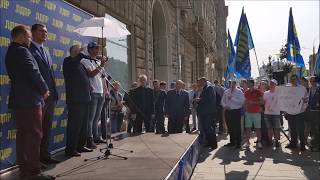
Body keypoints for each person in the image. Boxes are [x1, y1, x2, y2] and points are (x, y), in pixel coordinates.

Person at [5, 25, 54, 179]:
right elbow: (33, 71)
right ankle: (34, 172)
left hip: (20, 100)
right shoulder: (22, 51)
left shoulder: (11, 51)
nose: (30, 39)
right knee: (34, 135)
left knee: (23, 136)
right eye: (28, 36)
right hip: (30, 100)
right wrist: (44, 89)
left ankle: (25, 171)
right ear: (20, 37)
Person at [29, 23, 60, 164]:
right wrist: (42, 91)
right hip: (38, 96)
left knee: (47, 128)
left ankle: (45, 155)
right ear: (33, 33)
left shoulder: (46, 51)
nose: (45, 34)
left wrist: (54, 92)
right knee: (36, 131)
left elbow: (50, 74)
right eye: (41, 31)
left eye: (46, 32)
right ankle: (35, 161)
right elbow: (33, 74)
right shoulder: (28, 49)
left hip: (51, 96)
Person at [63, 45, 93, 156]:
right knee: (74, 125)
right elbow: (74, 63)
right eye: (77, 51)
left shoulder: (80, 64)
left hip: (85, 98)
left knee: (83, 124)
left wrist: (89, 86)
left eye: (79, 50)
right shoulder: (68, 61)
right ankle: (71, 149)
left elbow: (86, 77)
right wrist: (80, 54)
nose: (80, 52)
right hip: (75, 99)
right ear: (71, 52)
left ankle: (81, 145)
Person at [80, 42, 107, 148]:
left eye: (98, 48)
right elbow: (91, 74)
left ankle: (96, 137)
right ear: (90, 50)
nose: (97, 51)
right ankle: (89, 139)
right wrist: (102, 65)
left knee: (97, 118)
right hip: (93, 92)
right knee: (90, 118)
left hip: (101, 92)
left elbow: (103, 77)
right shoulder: (85, 60)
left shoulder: (98, 62)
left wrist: (105, 90)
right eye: (95, 48)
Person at [285, 75, 308, 151]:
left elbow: (306, 99)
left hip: (299, 112)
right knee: (292, 129)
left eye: (294, 79)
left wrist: (304, 104)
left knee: (300, 129)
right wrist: (285, 110)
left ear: (297, 80)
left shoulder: (302, 88)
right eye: (291, 79)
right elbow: (284, 99)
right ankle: (293, 143)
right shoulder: (287, 88)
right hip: (290, 112)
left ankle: (302, 145)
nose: (293, 80)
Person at [221, 80, 245, 149]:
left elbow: (242, 101)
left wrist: (233, 99)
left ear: (236, 84)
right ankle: (232, 142)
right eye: (231, 83)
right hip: (228, 112)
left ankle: (238, 143)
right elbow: (222, 101)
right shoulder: (226, 91)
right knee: (230, 127)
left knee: (237, 127)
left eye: (233, 83)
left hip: (236, 111)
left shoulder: (239, 92)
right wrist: (225, 105)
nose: (232, 85)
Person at [195, 77, 218, 149]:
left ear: (204, 82)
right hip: (204, 112)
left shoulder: (209, 88)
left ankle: (213, 144)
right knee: (205, 128)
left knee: (209, 128)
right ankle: (209, 142)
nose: (199, 83)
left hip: (208, 112)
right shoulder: (204, 88)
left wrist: (199, 99)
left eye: (200, 82)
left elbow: (209, 98)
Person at [243, 79, 264, 149]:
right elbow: (245, 102)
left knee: (258, 128)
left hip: (256, 112)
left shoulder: (258, 91)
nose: (247, 84)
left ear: (252, 84)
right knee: (247, 128)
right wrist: (245, 110)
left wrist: (253, 102)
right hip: (248, 113)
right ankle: (247, 142)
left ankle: (259, 142)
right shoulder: (246, 92)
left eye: (248, 83)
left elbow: (262, 102)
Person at [263, 79, 281, 148]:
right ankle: (270, 141)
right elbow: (263, 102)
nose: (271, 85)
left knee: (276, 128)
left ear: (276, 85)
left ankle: (276, 141)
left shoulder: (279, 94)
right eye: (270, 83)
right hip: (267, 113)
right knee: (269, 128)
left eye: (273, 84)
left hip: (276, 113)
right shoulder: (265, 93)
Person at [308, 76, 320, 152]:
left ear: (316, 81)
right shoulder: (310, 89)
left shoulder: (319, 88)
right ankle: (313, 144)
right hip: (311, 111)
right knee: (312, 129)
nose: (312, 82)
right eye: (310, 81)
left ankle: (317, 146)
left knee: (317, 129)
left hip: (318, 112)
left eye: (313, 81)